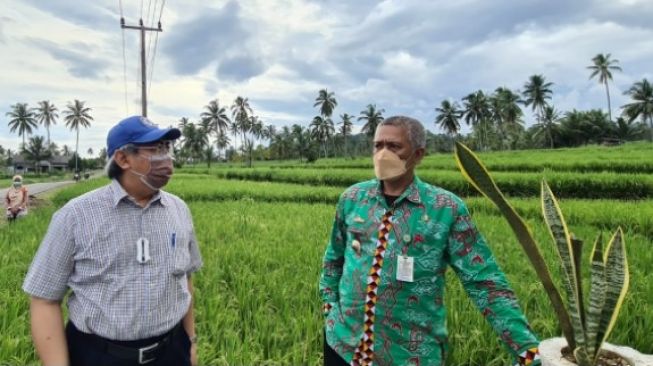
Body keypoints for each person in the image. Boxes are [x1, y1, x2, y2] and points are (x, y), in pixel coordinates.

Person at [319, 116, 541, 366]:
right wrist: (329, 307)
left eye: (394, 146)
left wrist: (526, 349)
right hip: (343, 346)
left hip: (410, 355)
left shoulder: (445, 208)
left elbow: (483, 280)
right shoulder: (353, 198)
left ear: (418, 154)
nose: (382, 154)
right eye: (377, 145)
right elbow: (333, 259)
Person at [23, 115, 203, 366]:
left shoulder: (178, 210)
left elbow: (185, 278)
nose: (166, 159)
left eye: (166, 148)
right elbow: (44, 299)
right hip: (99, 355)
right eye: (154, 149)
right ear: (122, 159)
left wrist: (190, 343)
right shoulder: (76, 215)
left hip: (171, 352)